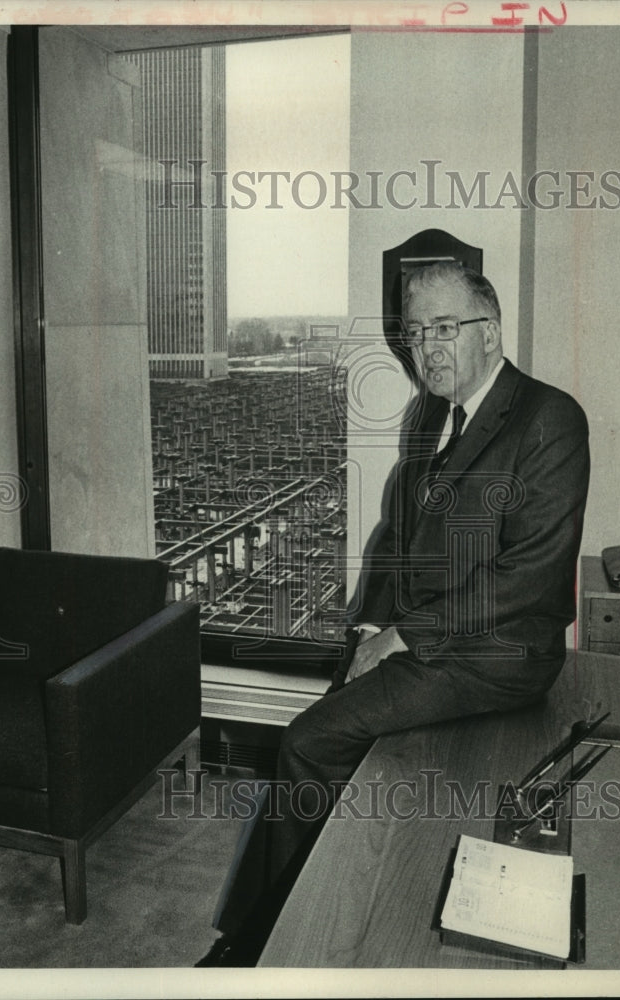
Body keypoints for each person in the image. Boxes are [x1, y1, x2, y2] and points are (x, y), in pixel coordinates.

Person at [197, 261, 590, 966]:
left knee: (308, 742)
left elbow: (528, 576)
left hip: (499, 655)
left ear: (490, 331)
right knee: (335, 728)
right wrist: (368, 627)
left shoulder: (547, 417)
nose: (428, 349)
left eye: (445, 328)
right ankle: (310, 906)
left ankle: (256, 942)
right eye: (414, 334)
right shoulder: (433, 411)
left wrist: (404, 635)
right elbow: (398, 536)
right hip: (433, 638)